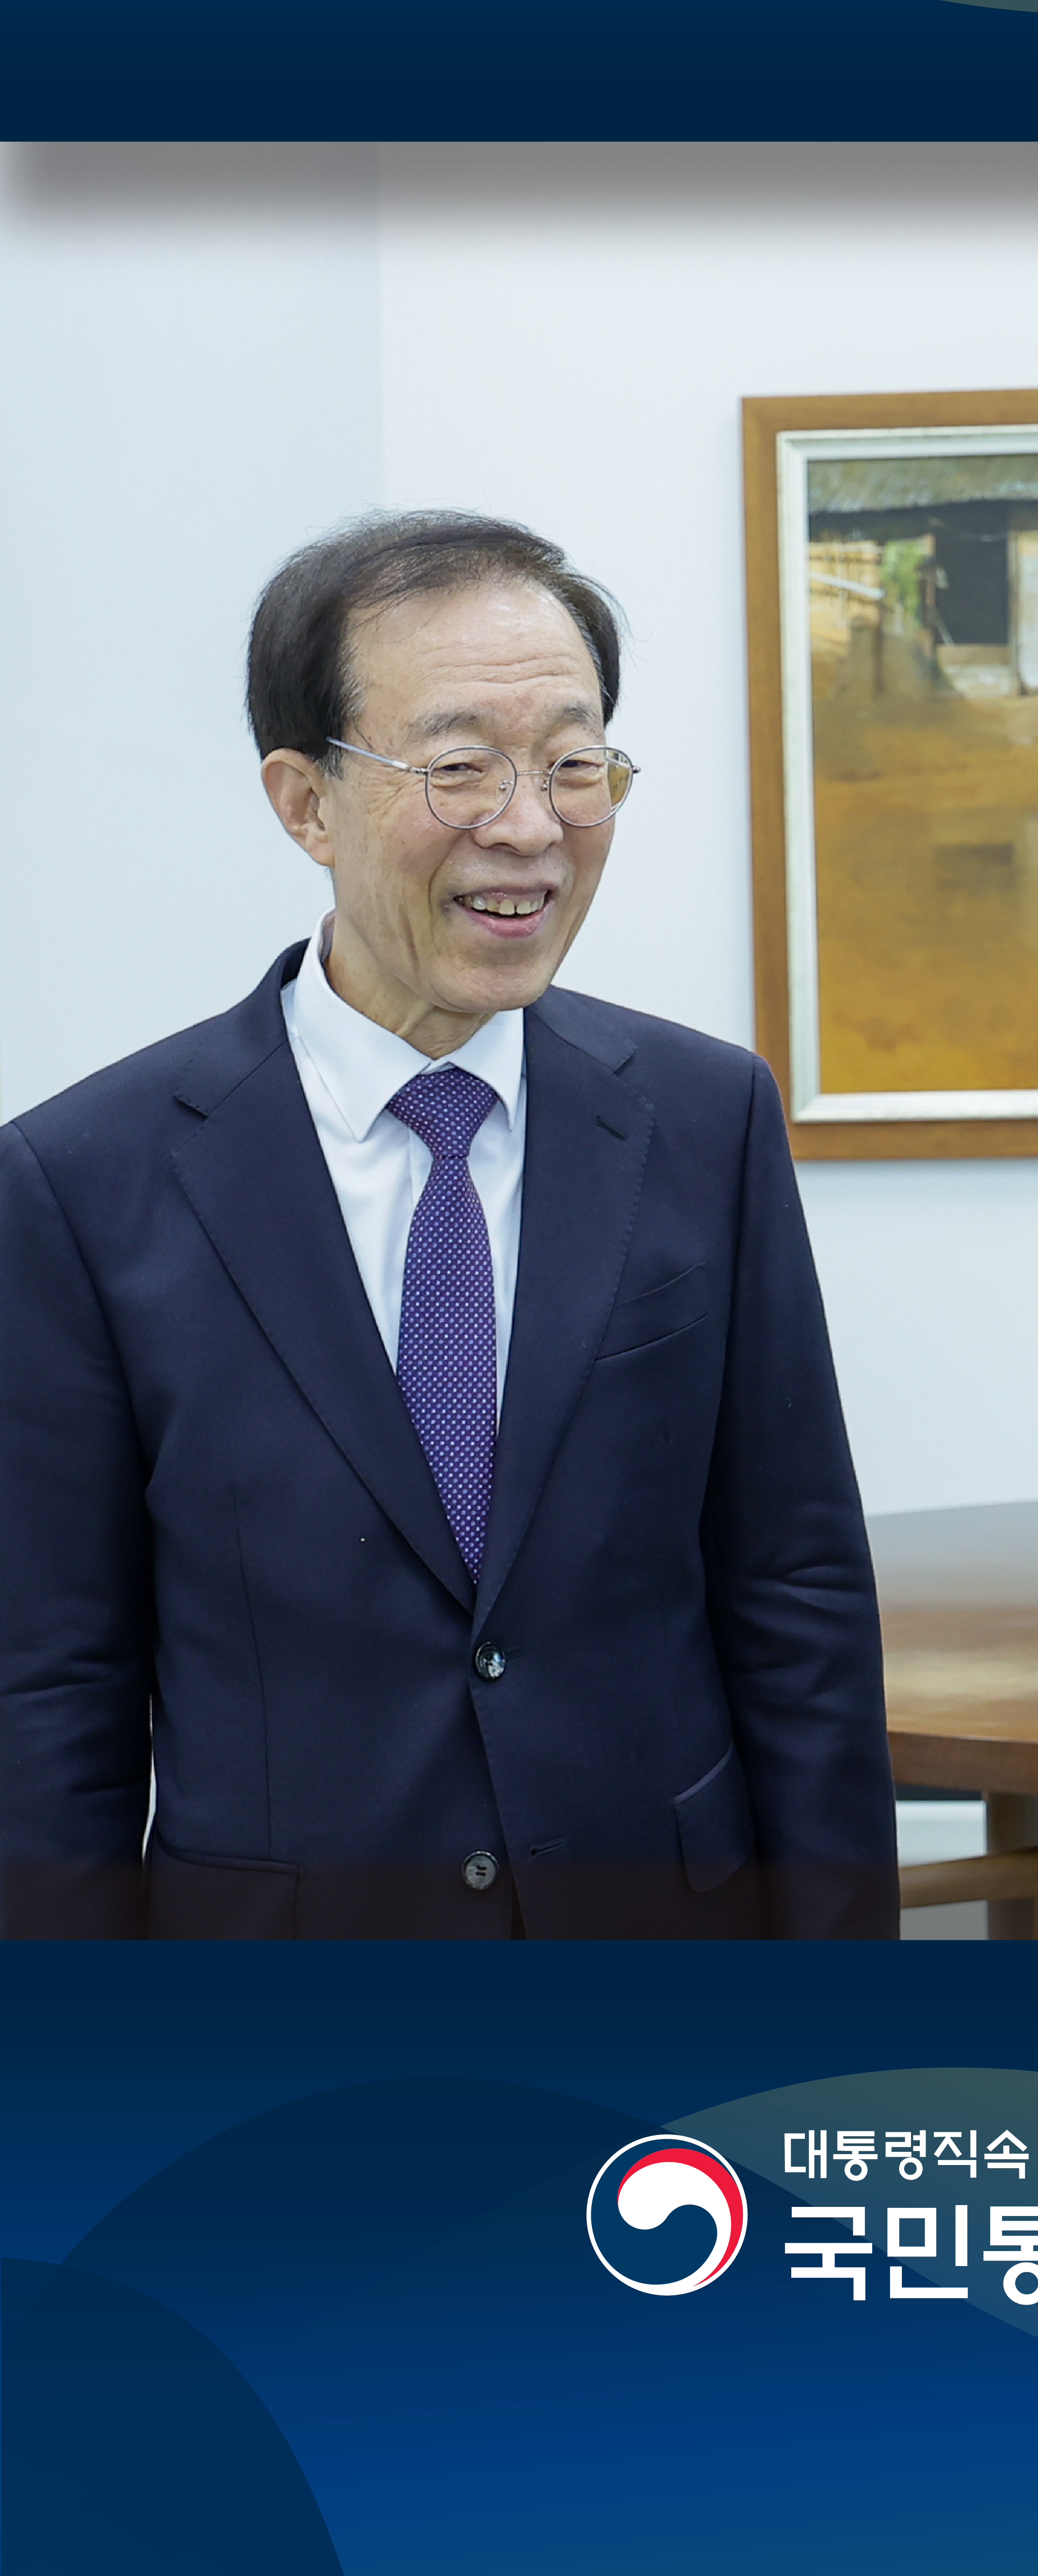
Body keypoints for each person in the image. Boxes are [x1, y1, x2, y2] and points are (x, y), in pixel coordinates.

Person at [0, 512, 898, 1940]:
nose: (530, 826)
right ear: (305, 803)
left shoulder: (702, 1116)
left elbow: (792, 1592)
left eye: (573, 760)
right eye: (461, 765)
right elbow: (54, 1688)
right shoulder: (81, 1180)